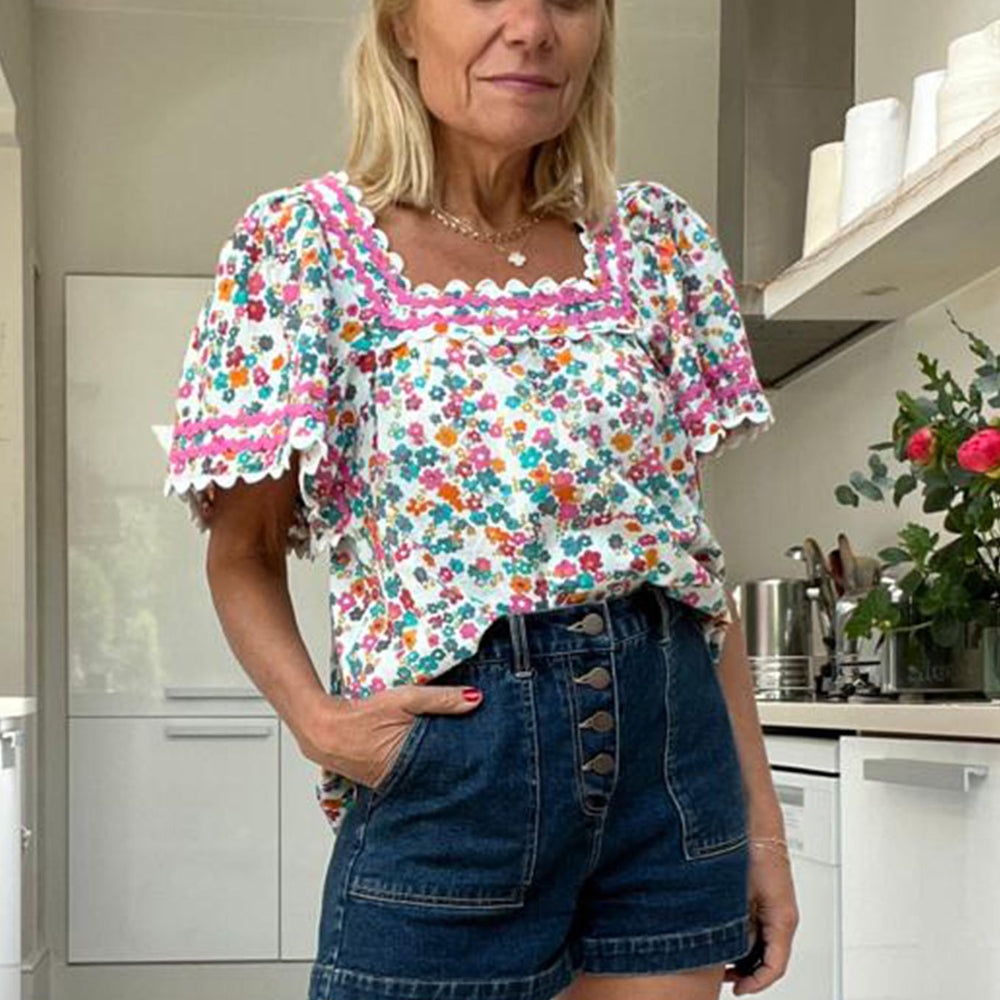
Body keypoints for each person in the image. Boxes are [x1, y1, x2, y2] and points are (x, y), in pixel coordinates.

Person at [161, 0, 798, 998]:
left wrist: (761, 830)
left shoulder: (657, 245)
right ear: (404, 25)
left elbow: (691, 570)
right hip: (461, 775)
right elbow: (241, 551)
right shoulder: (303, 247)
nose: (531, 27)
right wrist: (319, 722)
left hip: (672, 777)